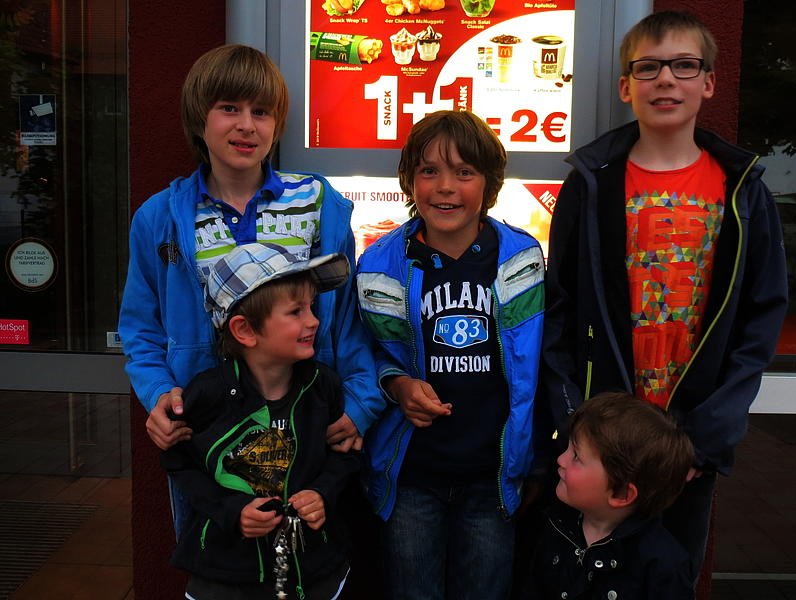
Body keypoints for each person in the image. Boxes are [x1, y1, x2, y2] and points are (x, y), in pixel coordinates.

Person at [539, 10, 788, 582]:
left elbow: (759, 322)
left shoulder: (743, 192)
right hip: (600, 442)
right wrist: (575, 424)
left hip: (687, 444)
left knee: (668, 578)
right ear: (625, 87)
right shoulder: (591, 185)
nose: (666, 79)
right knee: (583, 579)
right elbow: (559, 309)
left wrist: (706, 441)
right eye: (648, 67)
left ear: (709, 82)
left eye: (683, 65)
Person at [118, 44, 381, 534]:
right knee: (219, 555)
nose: (246, 125)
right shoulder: (160, 217)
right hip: (208, 431)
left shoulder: (317, 204)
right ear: (199, 118)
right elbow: (140, 328)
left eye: (261, 112)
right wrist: (157, 394)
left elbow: (347, 320)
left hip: (307, 421)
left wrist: (362, 402)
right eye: (229, 108)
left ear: (277, 125)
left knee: (307, 553)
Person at [355, 109, 545, 599]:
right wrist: (396, 384)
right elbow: (365, 352)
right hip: (411, 476)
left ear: (489, 183)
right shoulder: (379, 265)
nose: (445, 187)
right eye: (429, 171)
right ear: (409, 180)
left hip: (492, 475)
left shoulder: (522, 258)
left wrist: (535, 461)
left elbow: (537, 362)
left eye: (464, 172)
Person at [161, 242, 360, 600]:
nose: (314, 320)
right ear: (245, 330)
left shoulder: (323, 387)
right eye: (296, 311)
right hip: (224, 578)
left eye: (311, 307)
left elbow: (344, 454)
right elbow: (179, 462)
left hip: (313, 575)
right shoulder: (206, 396)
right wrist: (231, 511)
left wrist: (322, 493)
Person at [523, 392, 695, 600]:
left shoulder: (664, 567)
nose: (561, 459)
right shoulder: (556, 526)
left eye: (576, 456)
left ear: (621, 493)